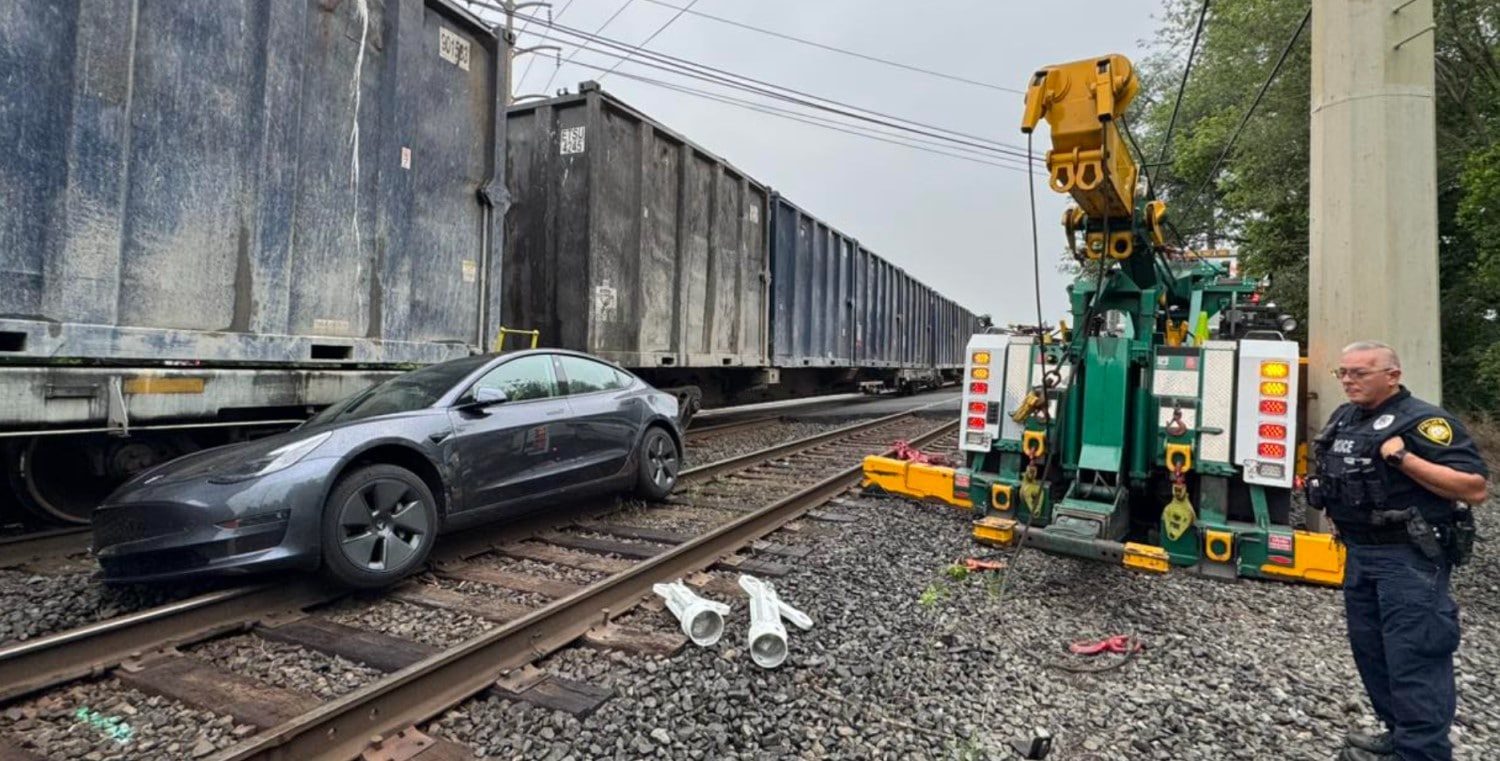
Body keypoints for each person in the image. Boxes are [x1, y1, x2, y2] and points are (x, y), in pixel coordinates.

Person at [1307, 341, 1489, 761]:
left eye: (1360, 373)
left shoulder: (1424, 422)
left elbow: (1474, 487)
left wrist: (1404, 458)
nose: (1349, 381)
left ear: (1392, 375)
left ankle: (1423, 751)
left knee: (1415, 655)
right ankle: (1400, 736)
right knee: (1372, 651)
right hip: (1360, 553)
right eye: (1344, 373)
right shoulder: (1347, 418)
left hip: (1408, 558)